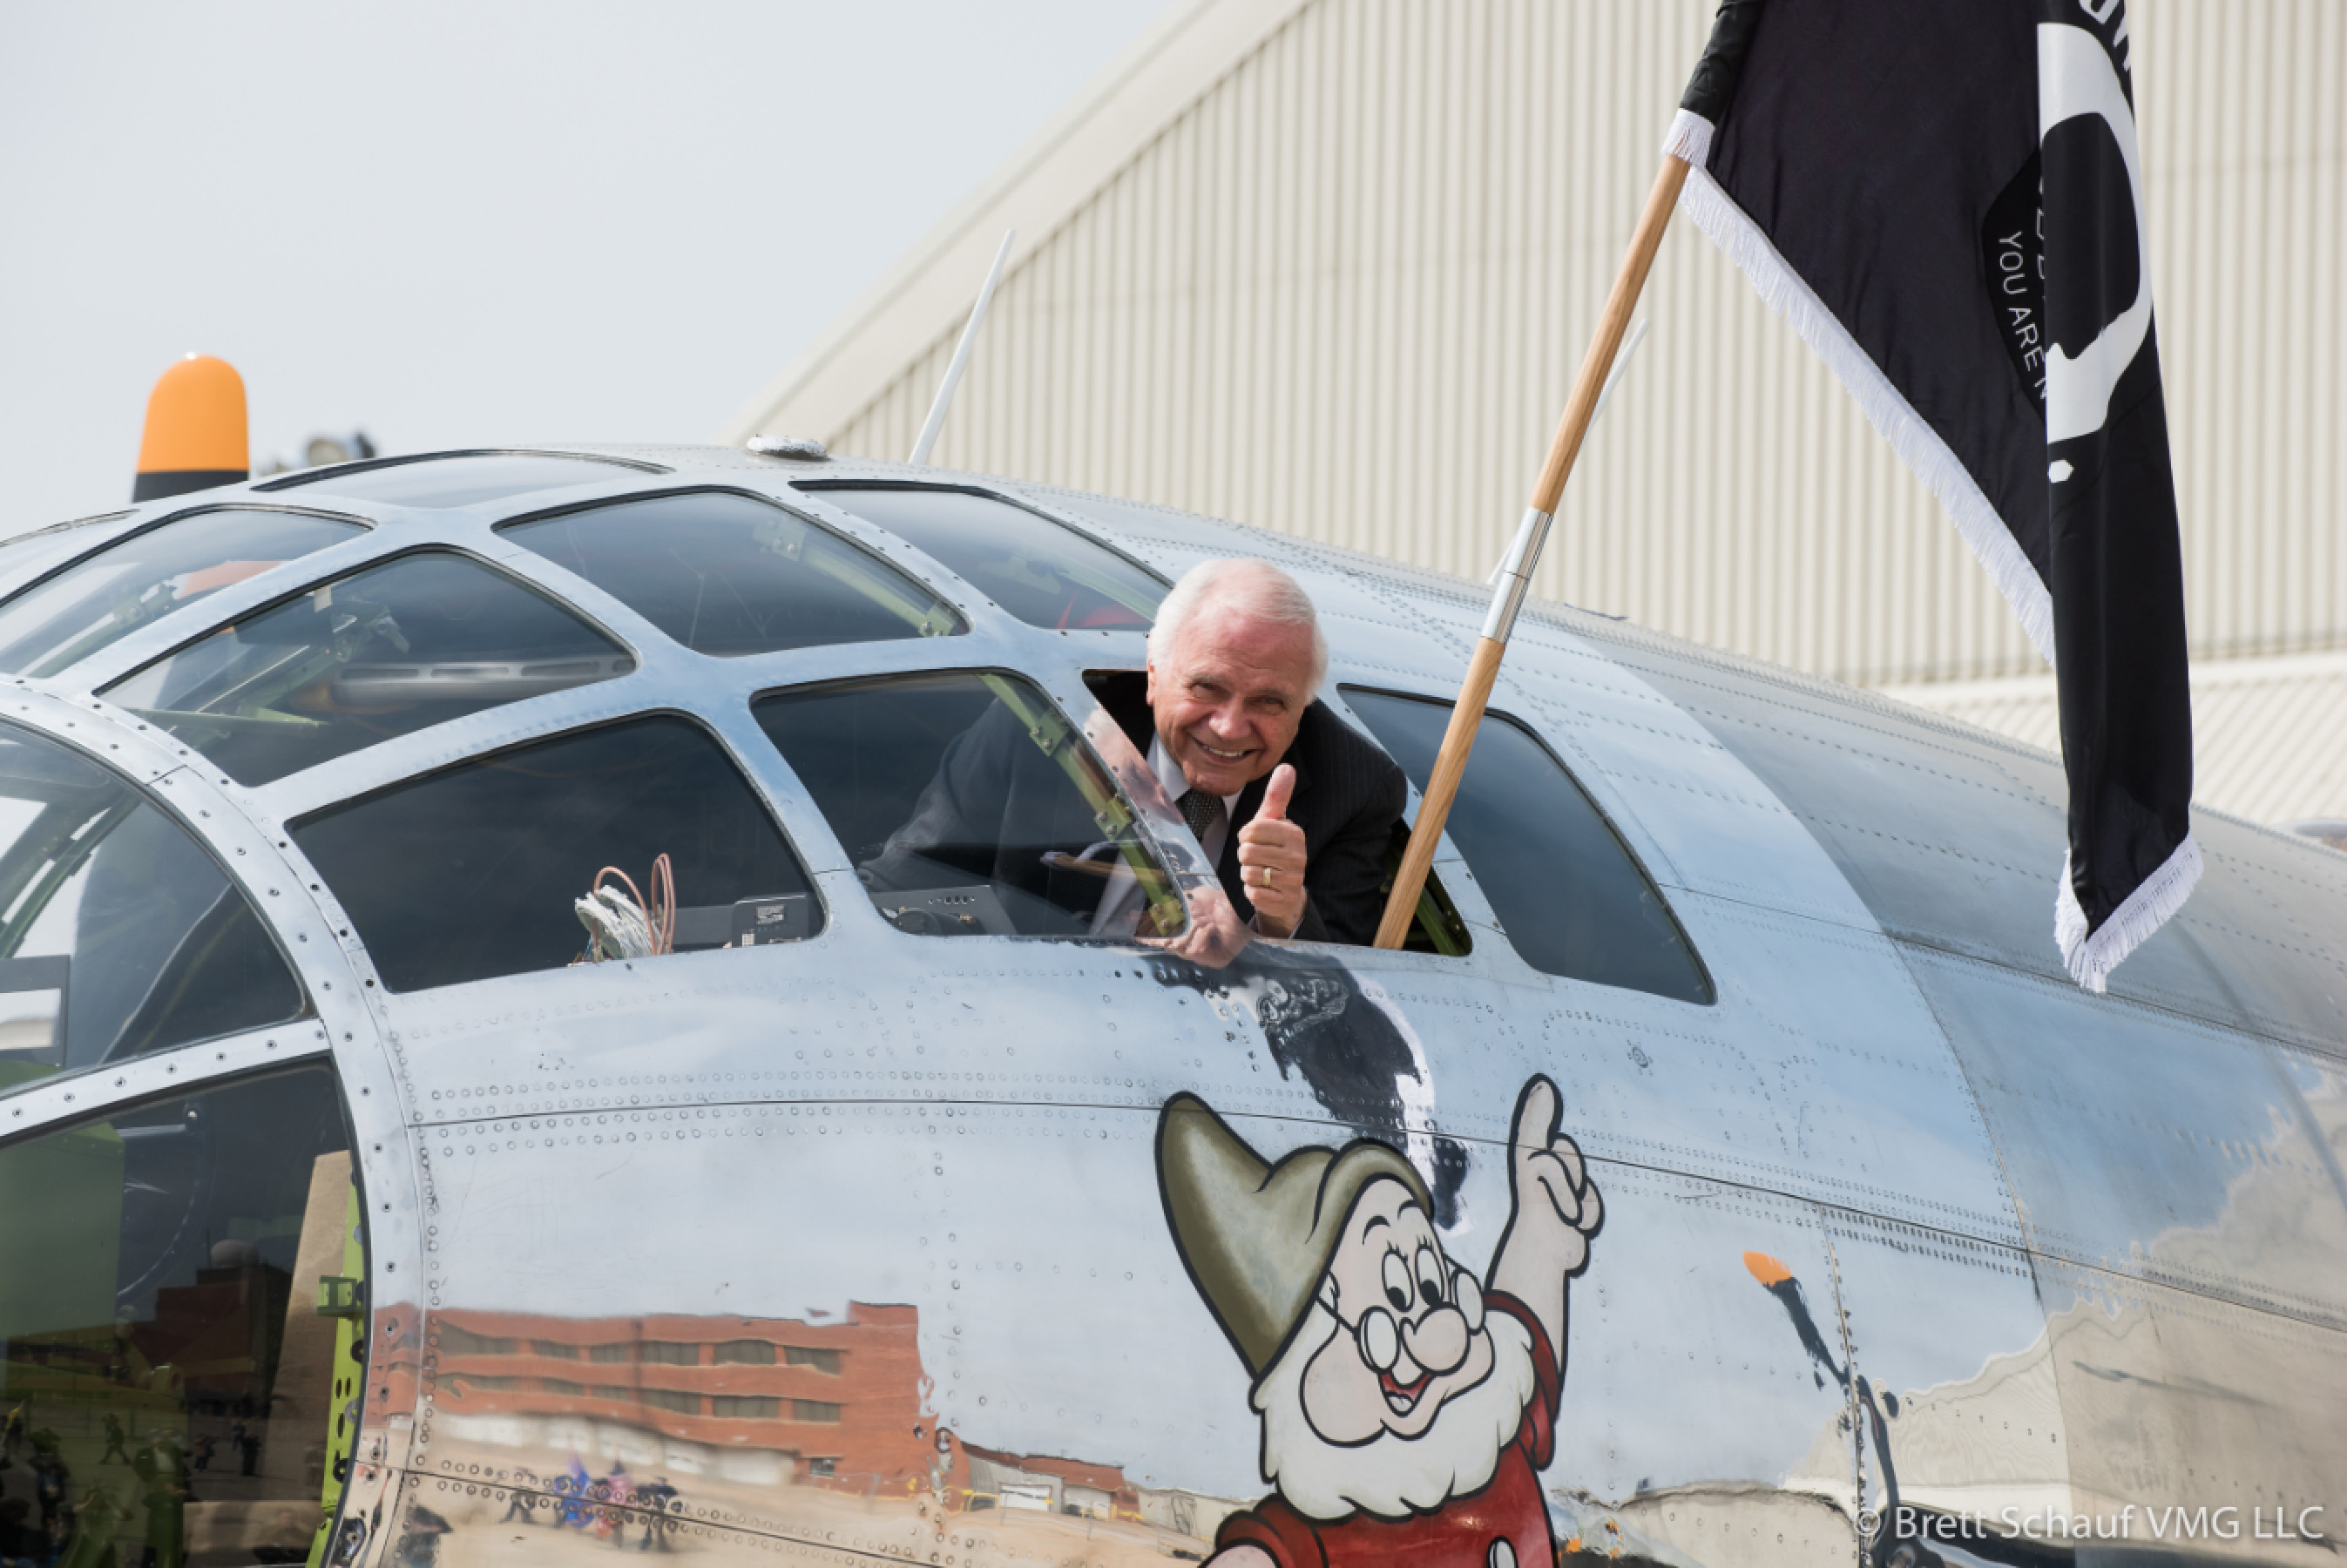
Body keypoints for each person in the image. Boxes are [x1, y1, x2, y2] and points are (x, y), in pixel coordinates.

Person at [864, 558, 1405, 946]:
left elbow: (1350, 993)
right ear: (1152, 675)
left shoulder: (1355, 787)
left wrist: (1286, 915)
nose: (1230, 726)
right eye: (1207, 688)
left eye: (1269, 701)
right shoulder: (1045, 724)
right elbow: (906, 880)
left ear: (1303, 707)